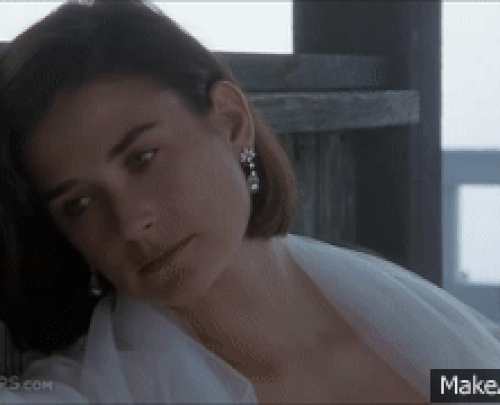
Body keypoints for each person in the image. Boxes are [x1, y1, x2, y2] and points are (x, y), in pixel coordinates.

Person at [0, 1, 499, 403]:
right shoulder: (95, 389)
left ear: (231, 121)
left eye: (143, 158)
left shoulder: (400, 322)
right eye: (80, 204)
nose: (131, 223)